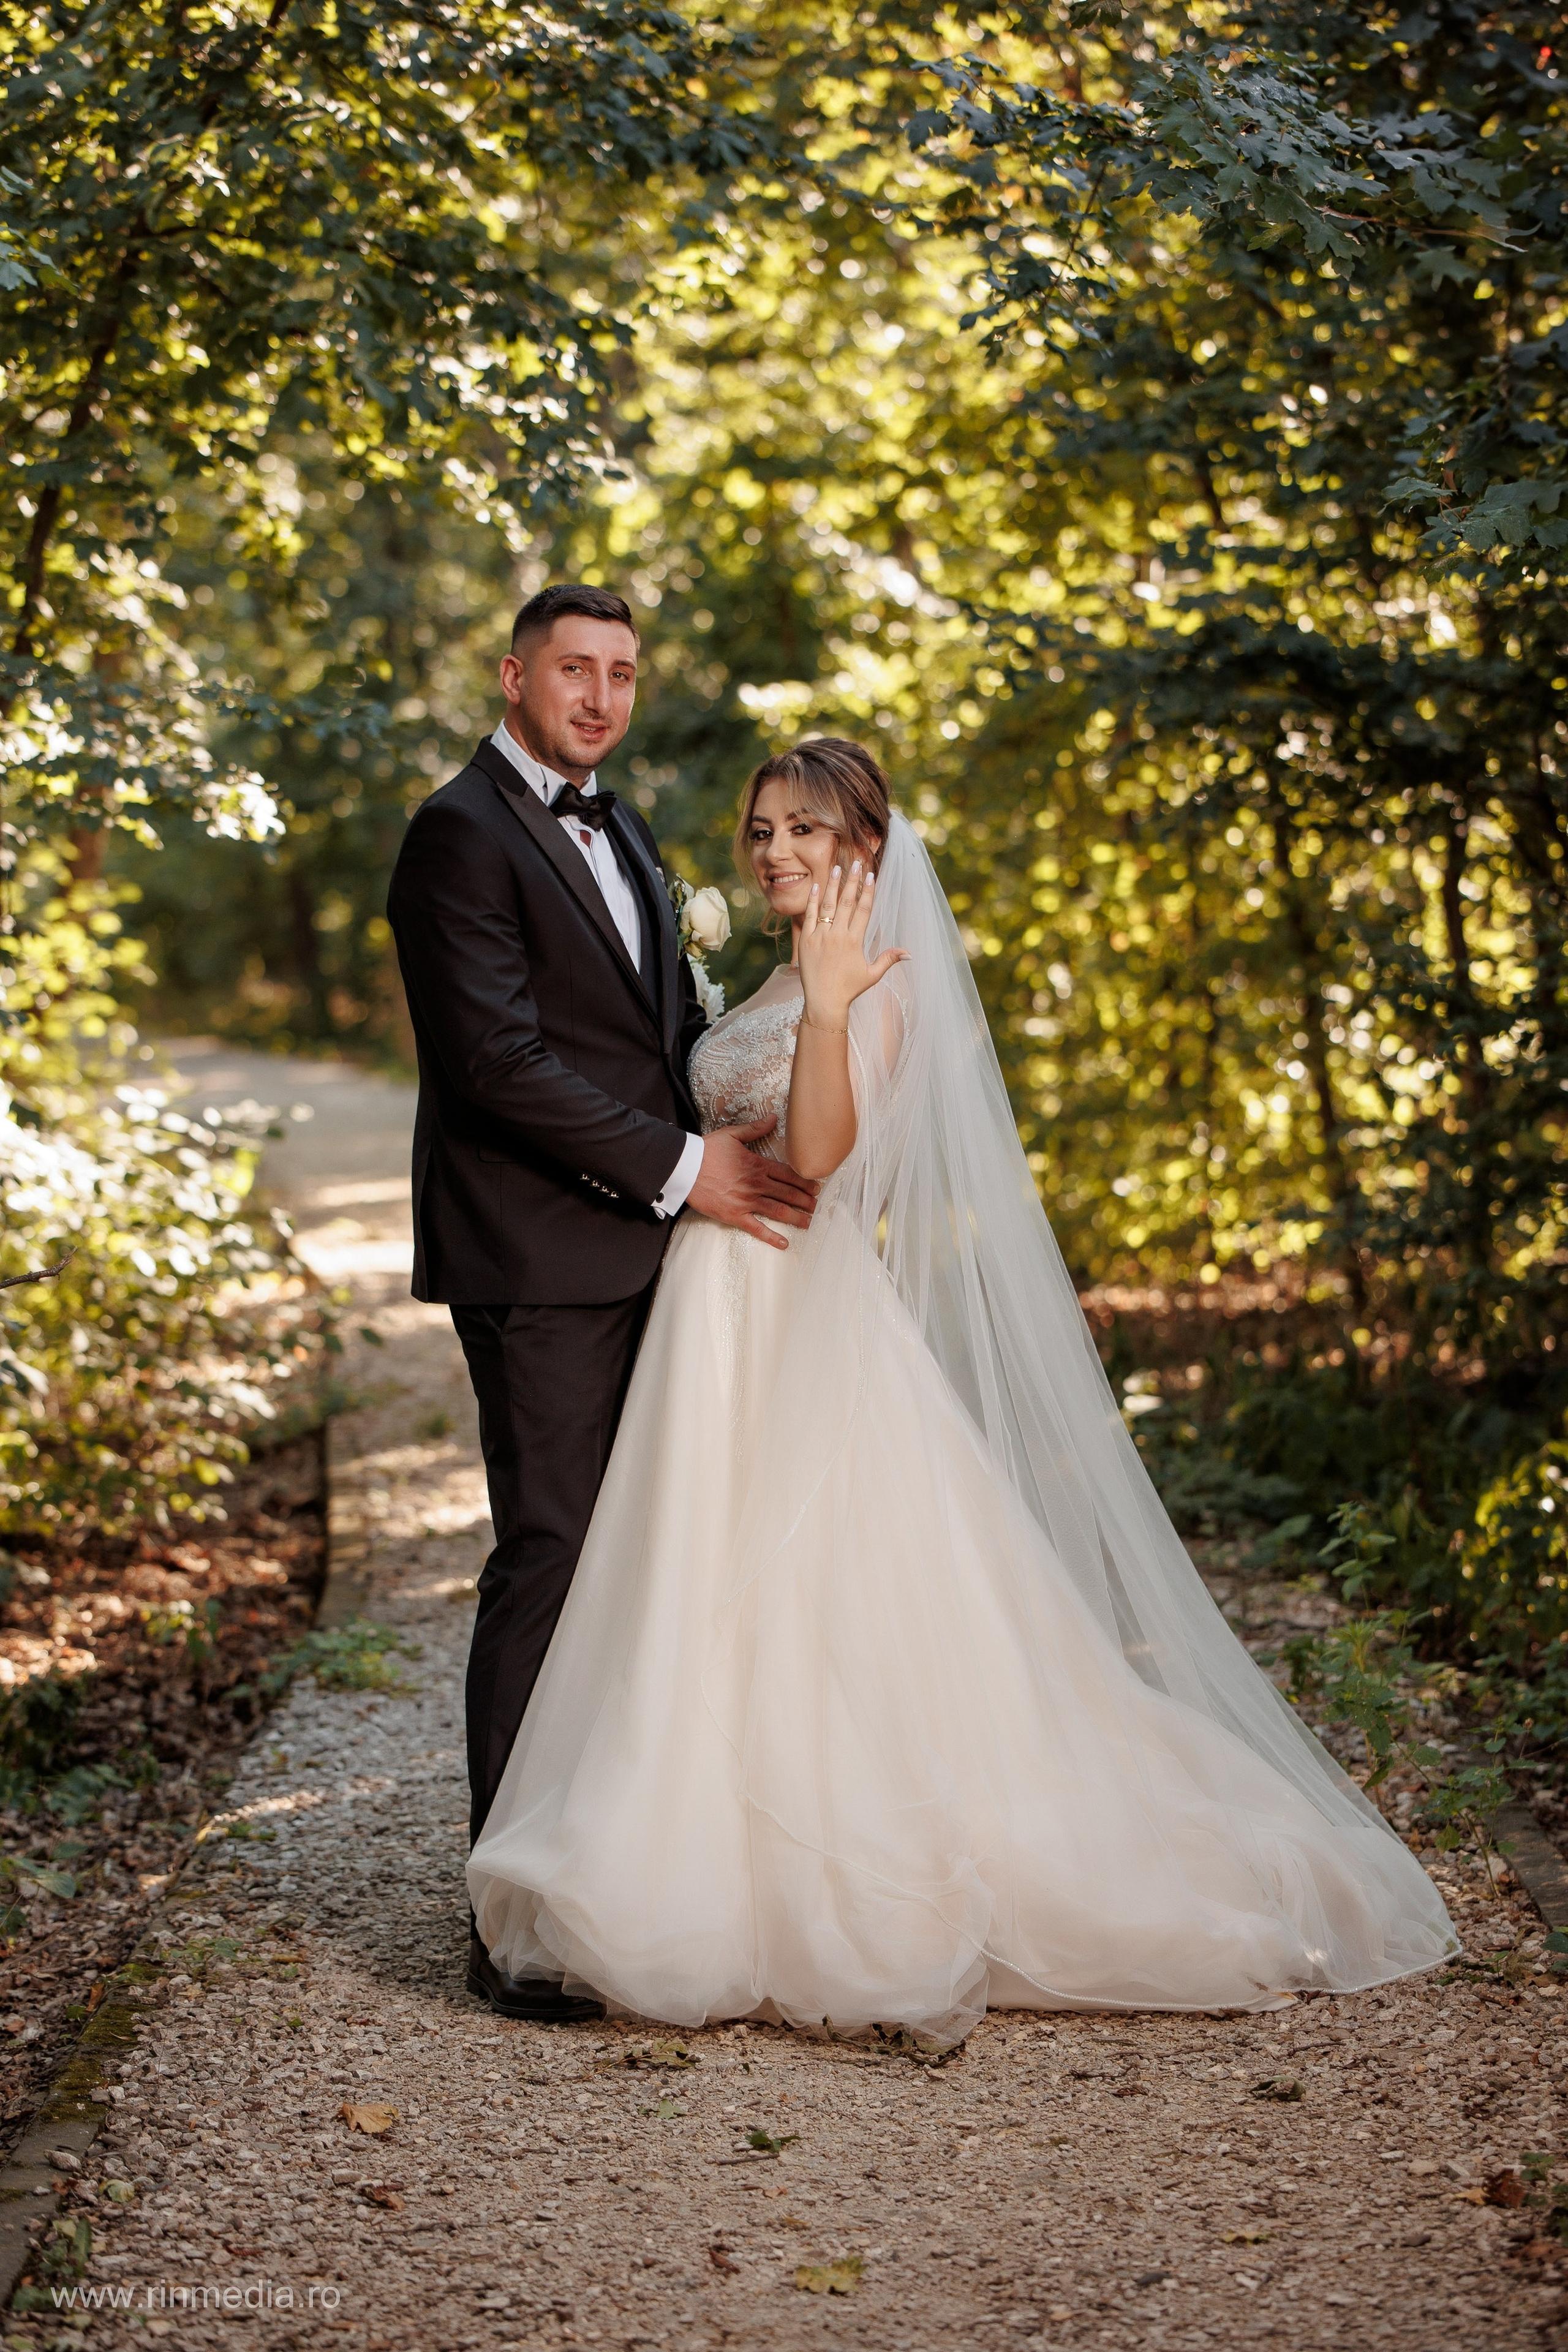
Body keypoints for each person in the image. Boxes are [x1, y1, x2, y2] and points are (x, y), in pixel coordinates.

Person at [467, 736, 1457, 2040]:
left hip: (788, 1300)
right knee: (703, 1580)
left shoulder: (873, 971)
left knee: (805, 1583)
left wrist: (824, 1007)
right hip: (709, 1305)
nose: (774, 851)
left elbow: (819, 1152)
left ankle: (812, 1874)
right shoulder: (784, 958)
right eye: (761, 829)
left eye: (805, 830)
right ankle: (677, 1827)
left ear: (863, 846)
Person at [387, 585, 817, 2022]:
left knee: (654, 1558)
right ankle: (510, 1919)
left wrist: (749, 1105)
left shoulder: (619, 823)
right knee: (555, 1555)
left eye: (622, 673)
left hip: (658, 1252)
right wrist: (688, 1168)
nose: (600, 695)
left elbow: (657, 1033)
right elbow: (496, 1064)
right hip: (536, 1255)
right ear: (513, 674)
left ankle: (620, 1865)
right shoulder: (457, 833)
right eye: (574, 669)